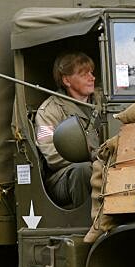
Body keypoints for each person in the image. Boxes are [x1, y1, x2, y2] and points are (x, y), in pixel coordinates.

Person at [34, 51, 101, 208]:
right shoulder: (49, 111)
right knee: (84, 170)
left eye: (91, 72)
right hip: (64, 176)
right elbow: (52, 156)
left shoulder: (102, 101)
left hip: (100, 165)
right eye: (84, 74)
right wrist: (95, 157)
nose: (92, 78)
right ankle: (93, 225)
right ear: (66, 80)